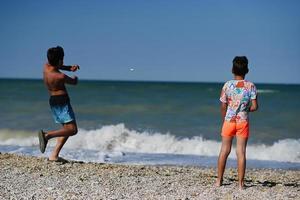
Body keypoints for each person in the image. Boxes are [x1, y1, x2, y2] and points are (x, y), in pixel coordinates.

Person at [216, 56, 258, 189]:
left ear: (232, 70)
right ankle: (240, 184)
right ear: (247, 70)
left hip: (229, 121)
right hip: (242, 121)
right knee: (241, 152)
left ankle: (219, 181)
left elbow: (223, 106)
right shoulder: (251, 86)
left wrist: (225, 119)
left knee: (224, 150)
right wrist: (245, 109)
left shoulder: (227, 85)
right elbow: (255, 107)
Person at [38, 46, 80, 162]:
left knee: (65, 129)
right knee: (72, 130)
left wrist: (69, 68)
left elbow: (57, 66)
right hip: (62, 102)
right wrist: (75, 78)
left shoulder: (46, 67)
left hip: (53, 101)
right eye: (62, 59)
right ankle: (47, 135)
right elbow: (73, 82)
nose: (63, 61)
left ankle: (54, 155)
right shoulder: (60, 76)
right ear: (60, 60)